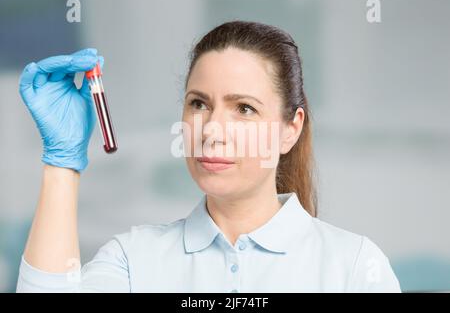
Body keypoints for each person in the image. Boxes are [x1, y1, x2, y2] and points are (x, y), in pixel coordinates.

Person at [16, 21, 401, 292]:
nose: (212, 130)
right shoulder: (133, 260)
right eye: (199, 103)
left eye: (244, 108)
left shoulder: (353, 268)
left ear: (290, 129)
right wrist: (61, 163)